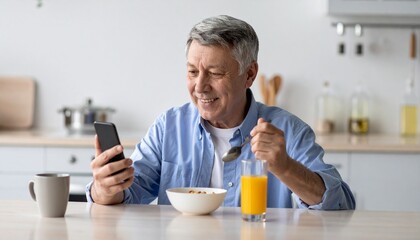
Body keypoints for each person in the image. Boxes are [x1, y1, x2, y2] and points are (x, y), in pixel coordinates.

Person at [86, 15, 355, 210]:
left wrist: (285, 167)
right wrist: (105, 188)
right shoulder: (169, 126)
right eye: (192, 72)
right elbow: (130, 194)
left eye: (215, 73)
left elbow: (340, 204)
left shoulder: (287, 131)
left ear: (249, 74)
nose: (200, 86)